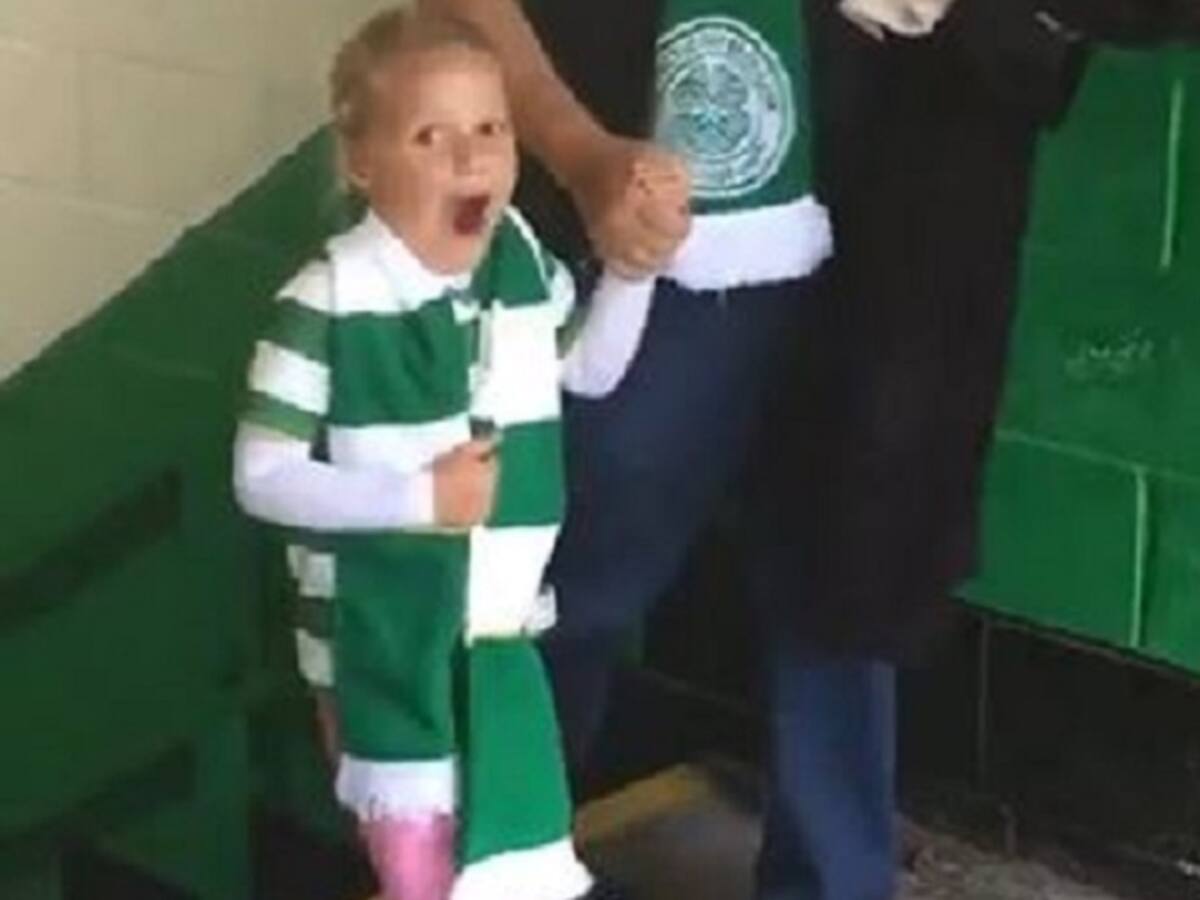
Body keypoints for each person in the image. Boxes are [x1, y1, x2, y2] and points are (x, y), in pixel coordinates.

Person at [426, 0, 1200, 898]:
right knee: (575, 550)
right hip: (666, 163)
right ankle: (491, 861)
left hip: (921, 158)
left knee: (858, 553)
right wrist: (580, 150)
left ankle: (830, 880)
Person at [231, 8, 651, 899]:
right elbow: (260, 475)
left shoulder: (524, 266)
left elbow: (592, 369)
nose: (471, 159)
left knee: (505, 867)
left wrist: (635, 270)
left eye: (492, 130)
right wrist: (417, 502)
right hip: (377, 643)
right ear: (362, 161)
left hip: (497, 638)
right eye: (432, 135)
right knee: (422, 876)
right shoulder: (329, 299)